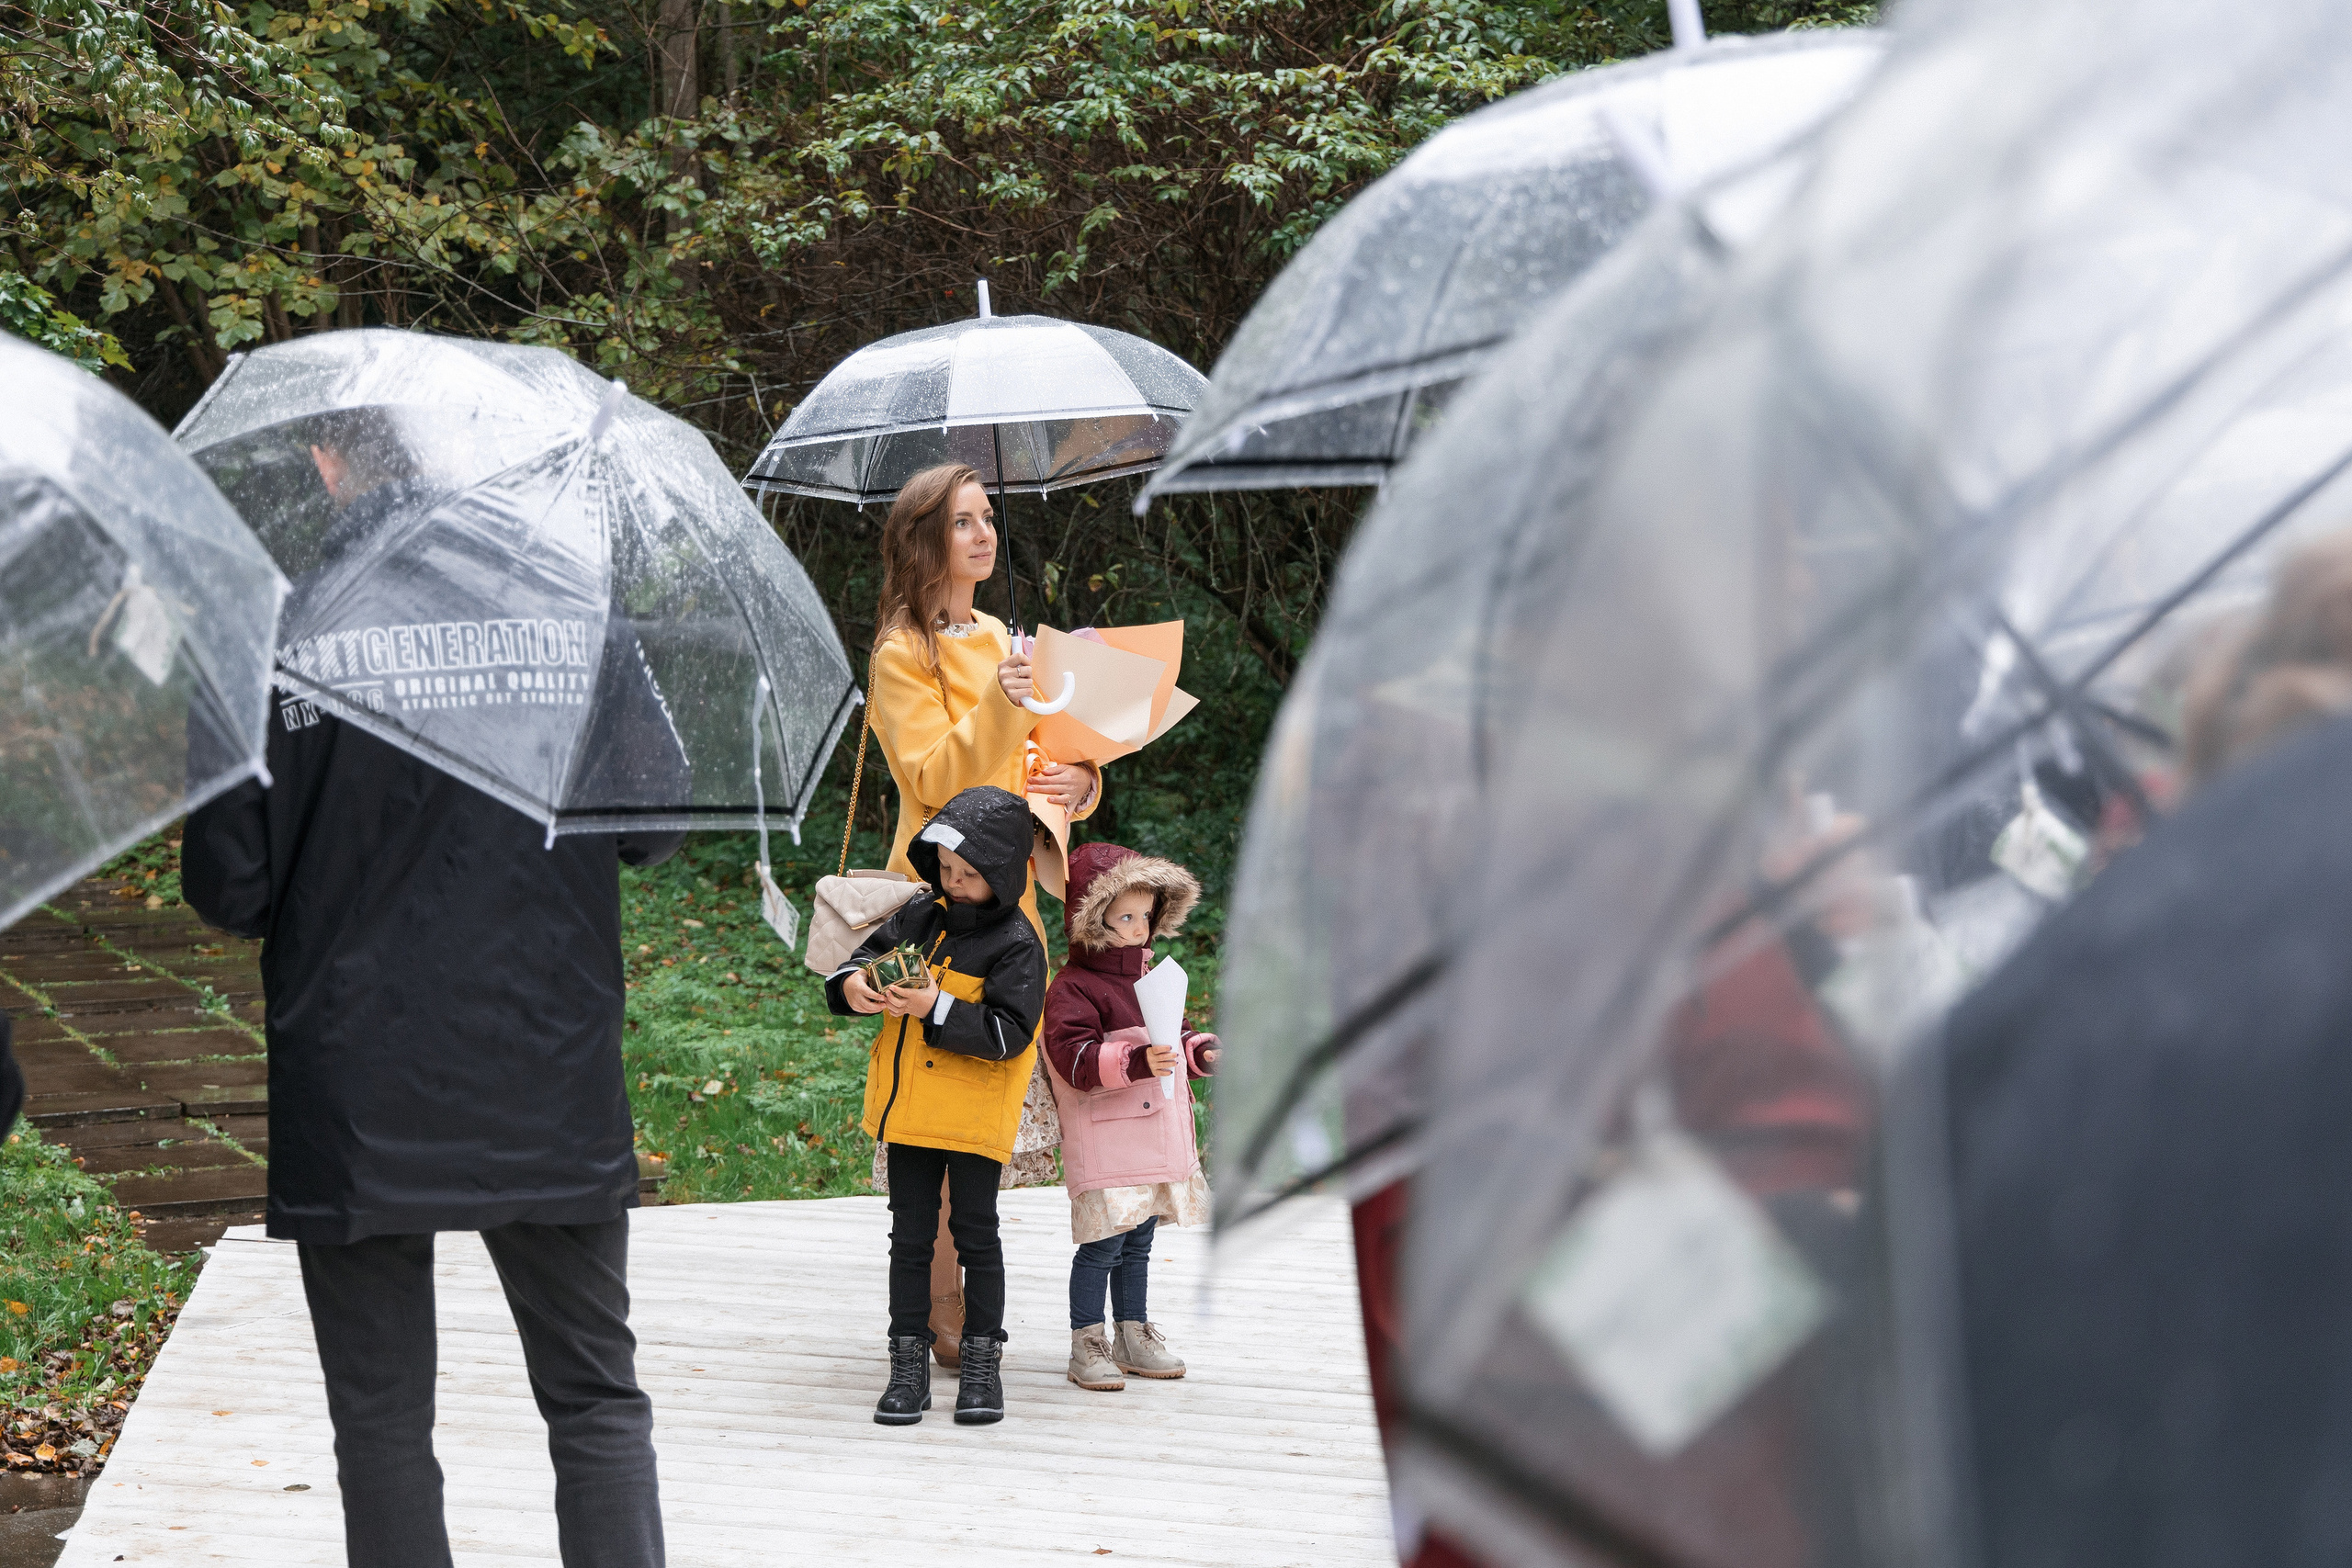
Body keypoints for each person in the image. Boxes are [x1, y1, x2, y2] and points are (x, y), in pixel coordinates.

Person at [179, 438, 678, 1568]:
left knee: (381, 1420)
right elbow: (654, 827)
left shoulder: (266, 629)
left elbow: (230, 886)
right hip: (546, 1057)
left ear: (326, 461)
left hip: (357, 1074)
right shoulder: (577, 611)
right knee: (596, 1398)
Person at [862, 462, 1103, 1367]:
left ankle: (961, 1290)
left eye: (987, 518)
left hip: (1012, 909)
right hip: (935, 909)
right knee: (937, 1095)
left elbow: (1033, 763)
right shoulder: (899, 654)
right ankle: (938, 1304)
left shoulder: (1003, 635)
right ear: (924, 540)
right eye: (962, 522)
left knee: (989, 1094)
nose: (983, 535)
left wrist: (1079, 782)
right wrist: (1006, 707)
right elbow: (933, 781)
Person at [825, 784, 1047, 1427]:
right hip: (913, 1113)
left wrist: (935, 1007)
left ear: (1004, 874)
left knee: (977, 1234)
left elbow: (1009, 1034)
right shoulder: (922, 916)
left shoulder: (1017, 942)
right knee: (910, 1238)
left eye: (969, 874)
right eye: (946, 869)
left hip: (975, 1118)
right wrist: (859, 986)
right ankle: (908, 1365)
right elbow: (856, 962)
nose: (953, 882)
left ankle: (983, 1365)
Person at [1039, 842, 1219, 1392]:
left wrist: (1198, 1050)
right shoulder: (1073, 988)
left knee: (1139, 1241)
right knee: (1104, 1244)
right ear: (1093, 920)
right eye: (1125, 917)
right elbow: (1073, 1058)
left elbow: (1175, 1034)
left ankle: (1133, 1331)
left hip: (1155, 1135)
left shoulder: (1152, 979)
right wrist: (1136, 1060)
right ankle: (1086, 1340)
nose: (1139, 928)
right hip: (1110, 1142)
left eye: (1146, 915)